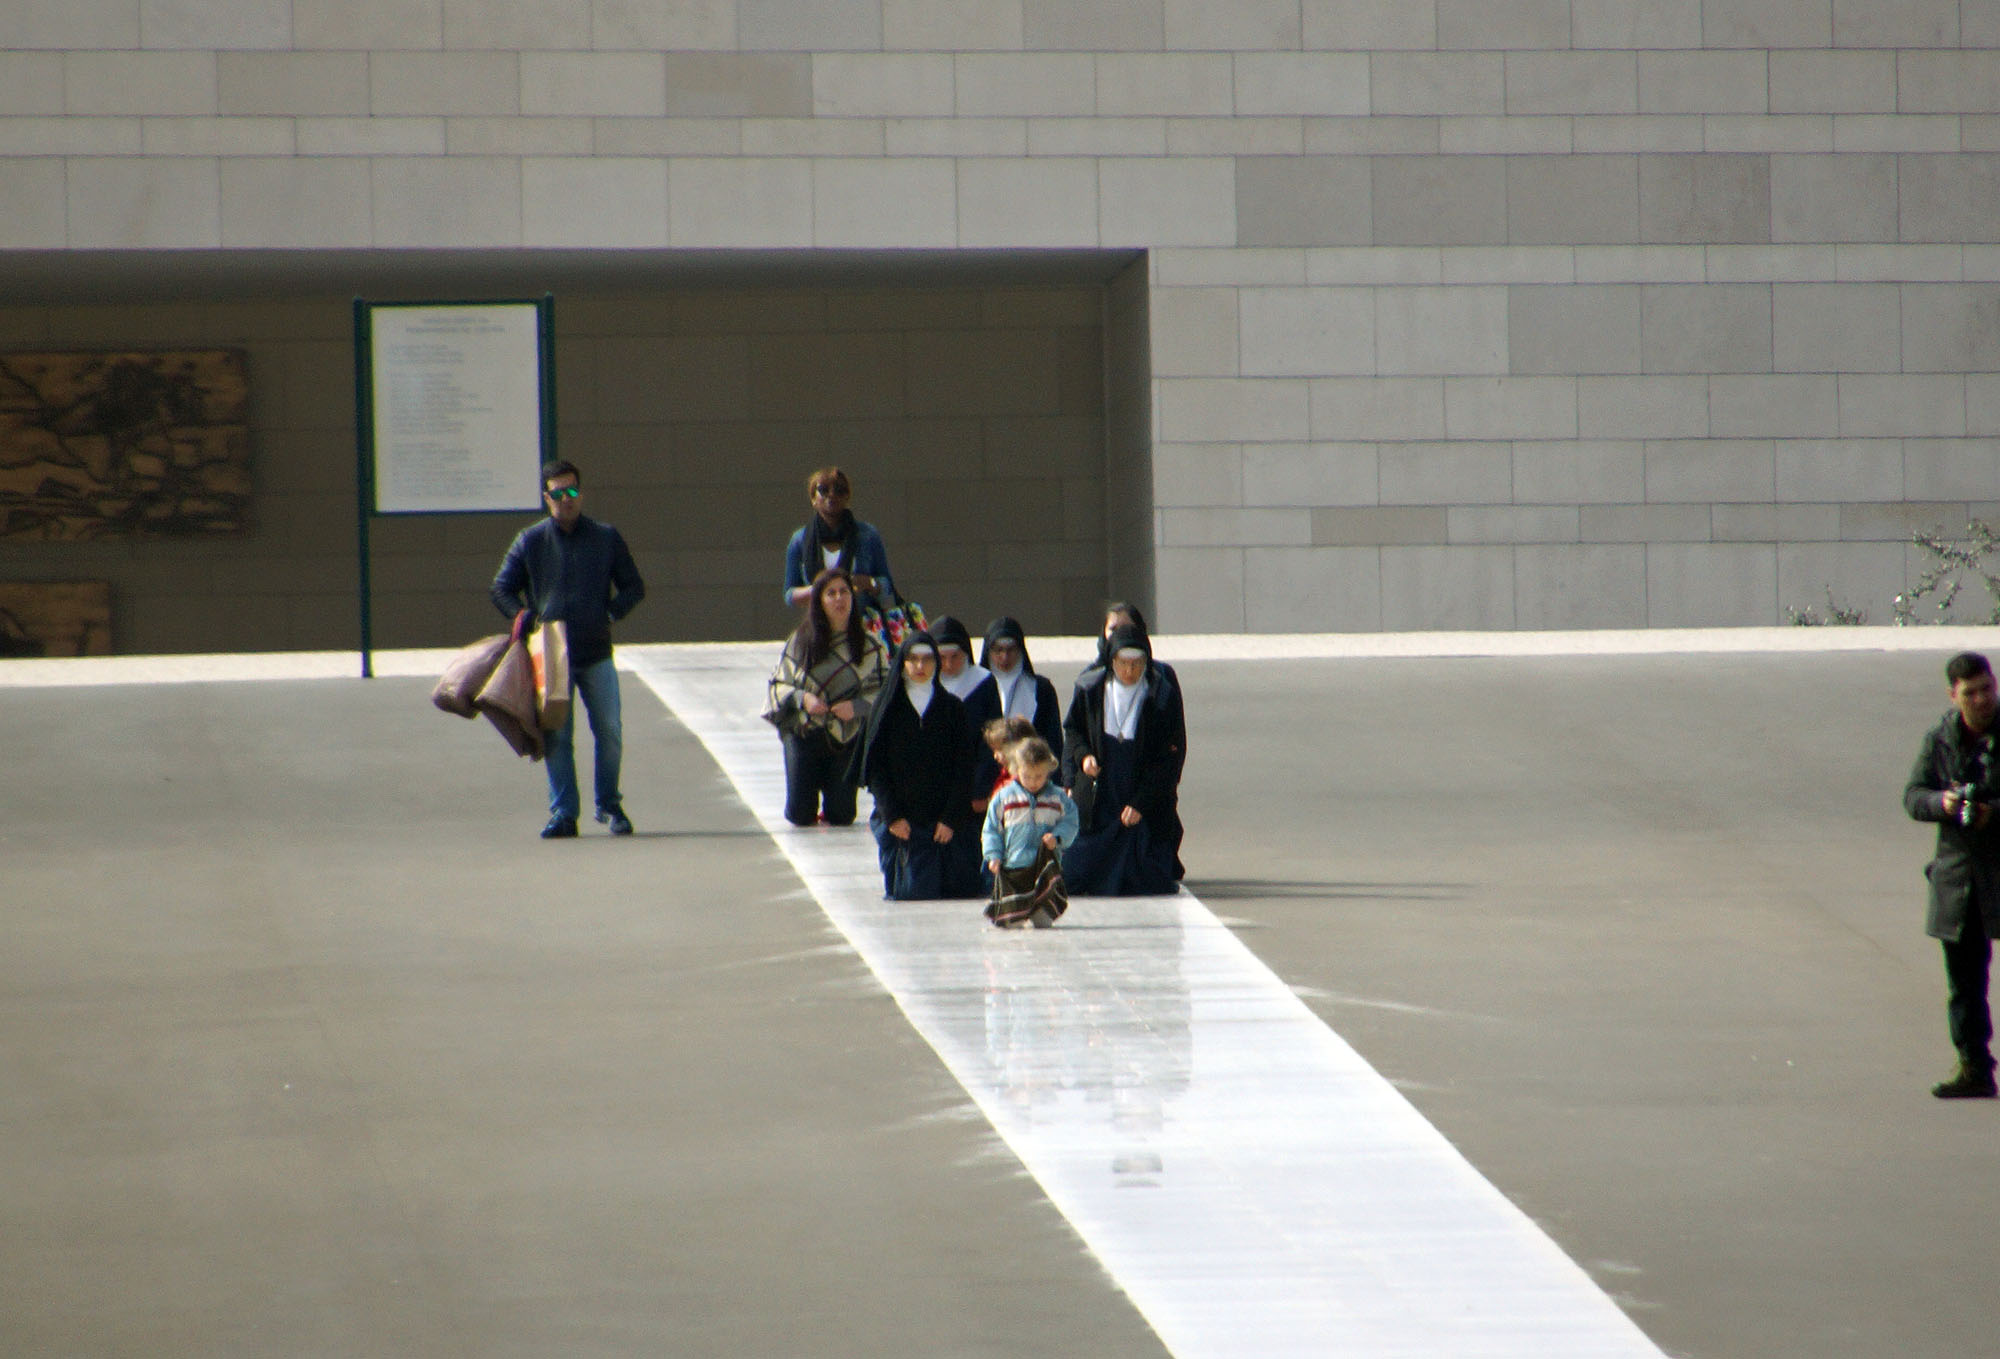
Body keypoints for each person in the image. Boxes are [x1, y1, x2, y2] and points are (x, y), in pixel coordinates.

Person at [491, 460, 646, 839]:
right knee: (558, 735)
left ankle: (609, 805)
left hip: (596, 653)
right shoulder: (531, 541)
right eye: (557, 493)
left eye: (572, 491)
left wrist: (610, 611)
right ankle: (563, 812)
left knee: (609, 730)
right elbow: (501, 587)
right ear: (546, 498)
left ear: (581, 492)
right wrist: (523, 616)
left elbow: (634, 586)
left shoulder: (605, 537)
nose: (566, 499)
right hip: (552, 656)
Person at [1905, 651, 2000, 1098]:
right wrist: (1942, 804)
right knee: (1964, 984)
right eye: (1971, 693)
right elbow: (1912, 796)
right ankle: (1973, 1068)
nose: (1981, 699)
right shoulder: (1940, 739)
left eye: (1987, 688)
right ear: (1953, 695)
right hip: (1959, 880)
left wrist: (1991, 814)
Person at [1061, 624, 1186, 896]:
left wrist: (1141, 802)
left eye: (1137, 663)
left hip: (1141, 795)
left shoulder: (1161, 696)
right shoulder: (1090, 689)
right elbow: (1073, 730)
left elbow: (1167, 759)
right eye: (1122, 663)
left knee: (1146, 879)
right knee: (1072, 875)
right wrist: (1083, 757)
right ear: (1110, 660)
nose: (1129, 671)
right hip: (1099, 795)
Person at [858, 629, 980, 900]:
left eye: (928, 659)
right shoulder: (887, 708)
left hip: (945, 824)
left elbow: (964, 768)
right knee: (912, 891)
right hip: (904, 824)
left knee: (958, 890)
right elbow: (874, 769)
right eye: (913, 659)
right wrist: (892, 817)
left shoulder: (952, 708)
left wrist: (950, 819)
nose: (921, 666)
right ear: (902, 663)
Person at [766, 567, 888, 828]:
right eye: (830, 593)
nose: (839, 599)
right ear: (819, 601)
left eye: (844, 592)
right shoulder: (800, 641)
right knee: (800, 815)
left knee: (842, 816)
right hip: (804, 732)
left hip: (846, 736)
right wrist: (803, 699)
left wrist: (858, 706)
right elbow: (778, 684)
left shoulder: (869, 645)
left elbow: (885, 690)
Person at [982, 736, 1080, 929]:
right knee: (1013, 922)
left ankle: (1040, 912)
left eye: (1039, 776)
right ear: (1016, 770)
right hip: (1014, 865)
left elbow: (1071, 821)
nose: (1033, 782)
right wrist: (993, 855)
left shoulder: (1057, 797)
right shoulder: (1004, 797)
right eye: (1027, 776)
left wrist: (1058, 837)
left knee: (1043, 921)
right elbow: (991, 828)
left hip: (1043, 867)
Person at [783, 466, 894, 612]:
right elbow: (789, 594)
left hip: (861, 622)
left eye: (839, 490)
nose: (832, 495)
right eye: (823, 490)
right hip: (820, 625)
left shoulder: (867, 535)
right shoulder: (799, 539)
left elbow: (887, 586)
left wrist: (869, 583)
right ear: (813, 498)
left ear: (847, 497)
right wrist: (819, 589)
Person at [980, 616, 1063, 757]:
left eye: (1011, 649)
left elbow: (1053, 741)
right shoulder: (978, 687)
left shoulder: (1041, 689)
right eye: (998, 650)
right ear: (988, 651)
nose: (1004, 657)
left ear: (1021, 650)